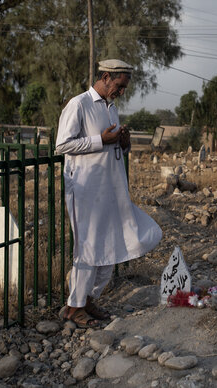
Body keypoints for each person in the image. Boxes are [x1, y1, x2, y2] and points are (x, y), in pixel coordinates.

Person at [55, 59, 162, 327]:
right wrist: (100, 139)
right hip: (85, 191)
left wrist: (123, 144)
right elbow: (62, 145)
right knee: (87, 248)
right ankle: (74, 307)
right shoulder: (78, 105)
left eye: (124, 88)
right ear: (105, 77)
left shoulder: (111, 109)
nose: (122, 92)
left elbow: (112, 148)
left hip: (111, 190)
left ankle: (89, 300)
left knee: (112, 245)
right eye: (119, 86)